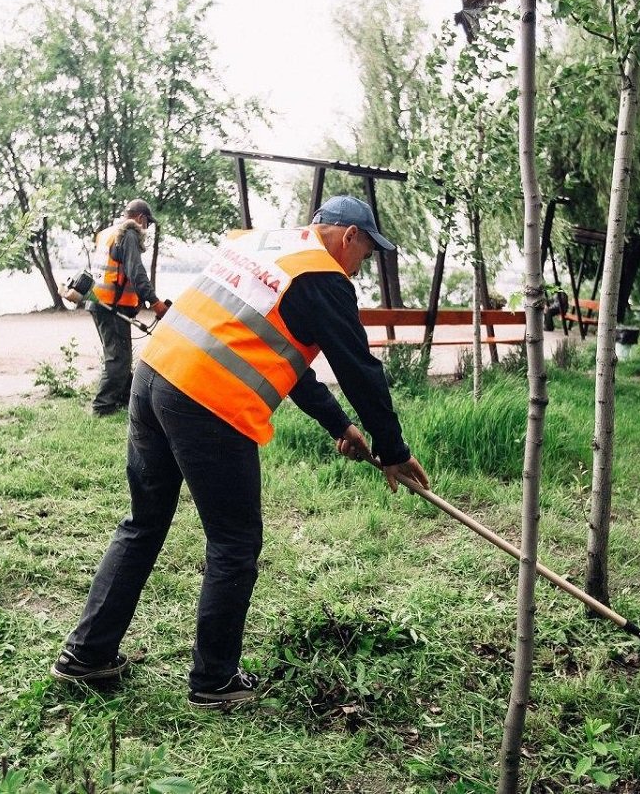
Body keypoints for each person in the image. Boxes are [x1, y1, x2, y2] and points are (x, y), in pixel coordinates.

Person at [51, 194, 430, 708]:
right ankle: (213, 681)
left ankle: (86, 656)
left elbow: (276, 353)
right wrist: (393, 451)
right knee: (234, 542)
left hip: (154, 374)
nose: (360, 268)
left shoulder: (267, 245)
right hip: (208, 400)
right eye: (365, 255)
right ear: (349, 236)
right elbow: (360, 370)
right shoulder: (324, 277)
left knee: (143, 523)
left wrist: (339, 423)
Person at [66, 198, 169, 417]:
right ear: (140, 218)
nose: (146, 229)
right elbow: (136, 272)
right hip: (110, 305)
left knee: (120, 355)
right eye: (147, 224)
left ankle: (123, 399)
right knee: (119, 359)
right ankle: (102, 407)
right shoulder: (129, 234)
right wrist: (155, 302)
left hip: (99, 301)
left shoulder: (108, 233)